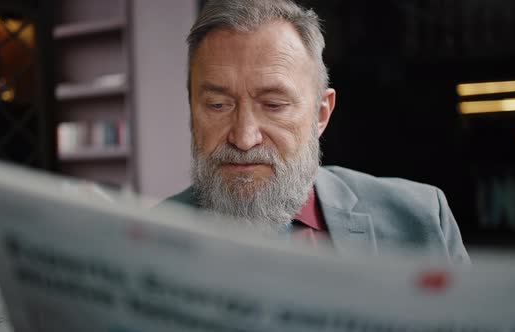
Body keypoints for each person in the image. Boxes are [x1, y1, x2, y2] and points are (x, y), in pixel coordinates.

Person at [165, 0, 469, 263]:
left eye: (273, 105)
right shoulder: (148, 238)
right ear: (192, 110)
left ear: (321, 114)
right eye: (218, 105)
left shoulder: (421, 219)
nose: (244, 138)